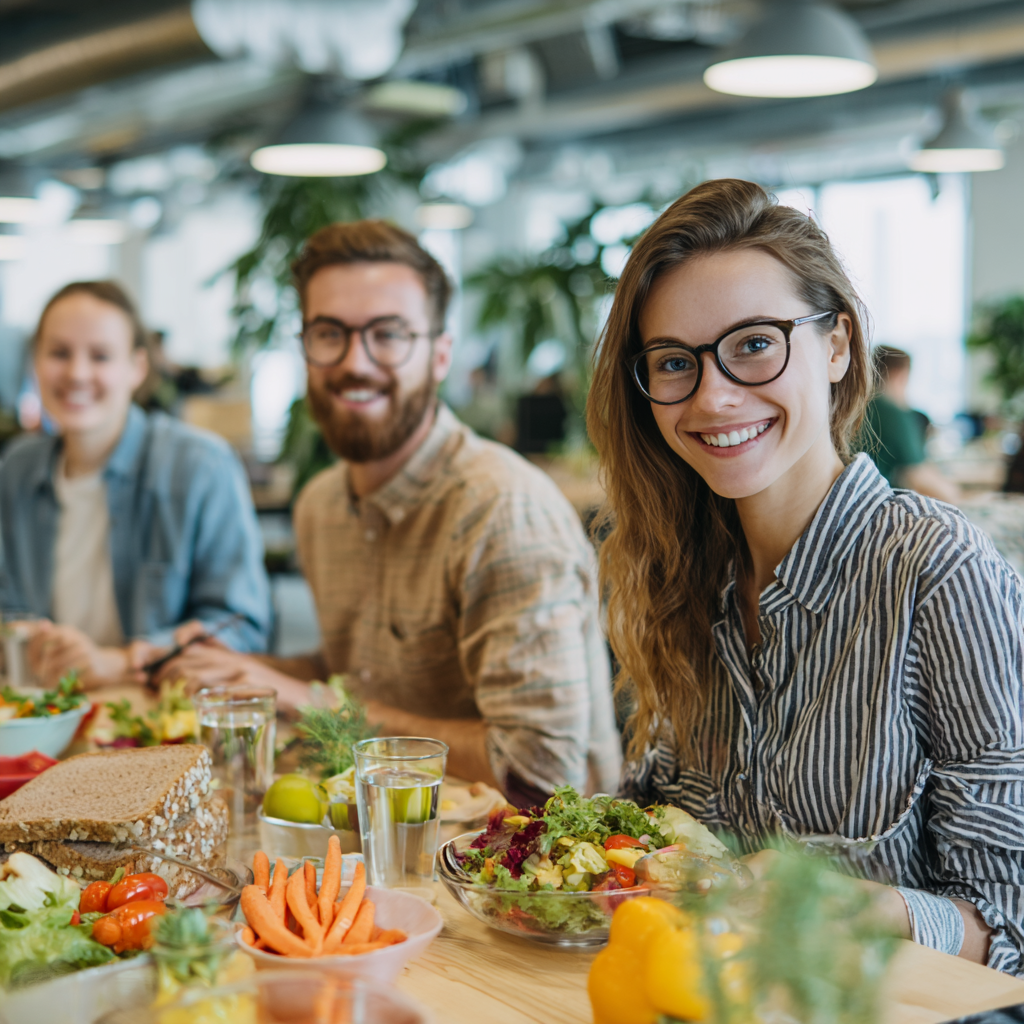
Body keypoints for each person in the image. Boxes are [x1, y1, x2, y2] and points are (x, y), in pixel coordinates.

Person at [586, 179, 1024, 973]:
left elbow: (1012, 932)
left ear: (837, 345)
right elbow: (649, 837)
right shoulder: (676, 574)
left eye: (754, 343)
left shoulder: (936, 573)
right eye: (676, 362)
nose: (714, 398)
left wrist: (850, 903)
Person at [158, 220, 621, 803]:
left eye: (389, 334)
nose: (356, 361)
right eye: (330, 333)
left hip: (530, 873)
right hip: (383, 840)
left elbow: (539, 773)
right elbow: (361, 673)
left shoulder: (501, 510)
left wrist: (302, 697)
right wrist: (236, 670)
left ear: (440, 355)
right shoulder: (321, 504)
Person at [0, 280, 271, 688]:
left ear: (137, 368)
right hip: (43, 718)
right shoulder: (17, 469)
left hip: (157, 722)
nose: (77, 373)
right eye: (58, 353)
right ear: (34, 362)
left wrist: (120, 662)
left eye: (101, 355)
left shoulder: (199, 466)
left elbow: (241, 628)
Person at [861, 345, 960, 502]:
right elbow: (919, 476)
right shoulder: (892, 412)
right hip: (880, 506)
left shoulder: (861, 406)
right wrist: (959, 497)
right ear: (900, 374)